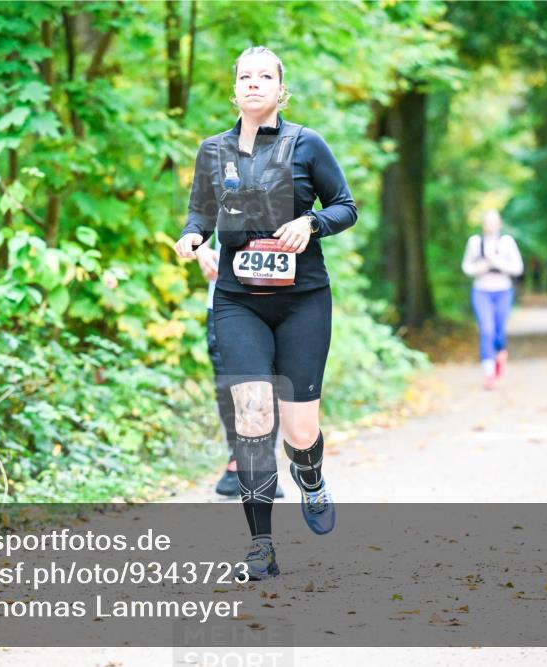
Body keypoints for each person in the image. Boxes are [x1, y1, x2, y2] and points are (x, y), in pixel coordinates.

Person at [174, 46, 356, 579]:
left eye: (265, 77)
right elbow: (198, 214)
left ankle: (311, 476)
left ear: (281, 90)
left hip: (303, 302)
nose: (254, 84)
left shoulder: (307, 144)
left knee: (300, 430)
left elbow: (345, 205)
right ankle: (261, 547)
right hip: (237, 302)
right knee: (253, 419)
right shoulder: (214, 150)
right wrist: (190, 239)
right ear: (234, 91)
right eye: (244, 77)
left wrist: (312, 224)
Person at [197, 238, 282, 500]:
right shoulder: (215, 193)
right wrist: (200, 250)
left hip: (274, 299)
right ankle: (238, 457)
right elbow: (199, 219)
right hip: (224, 300)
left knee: (266, 382)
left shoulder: (288, 195)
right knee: (227, 384)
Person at [461, 210, 523, 390]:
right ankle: (489, 372)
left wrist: (496, 262)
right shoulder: (475, 243)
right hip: (482, 291)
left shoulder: (507, 243)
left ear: (499, 224)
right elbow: (467, 267)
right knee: (486, 329)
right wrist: (482, 266)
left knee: (498, 329)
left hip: (503, 290)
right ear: (483, 224)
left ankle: (500, 352)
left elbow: (518, 268)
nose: (490, 225)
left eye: (493, 222)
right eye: (487, 222)